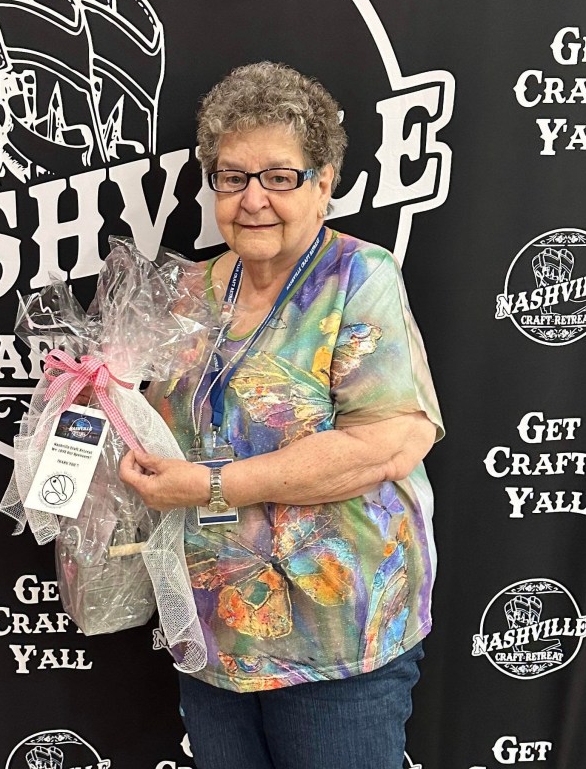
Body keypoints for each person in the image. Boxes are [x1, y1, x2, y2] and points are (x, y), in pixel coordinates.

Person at [119, 61, 443, 769]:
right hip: (214, 631)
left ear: (323, 185)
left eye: (279, 177)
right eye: (232, 177)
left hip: (336, 640)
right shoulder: (188, 291)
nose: (253, 199)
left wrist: (209, 486)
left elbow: (388, 441)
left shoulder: (358, 276)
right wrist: (94, 401)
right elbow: (158, 426)